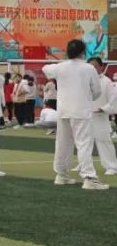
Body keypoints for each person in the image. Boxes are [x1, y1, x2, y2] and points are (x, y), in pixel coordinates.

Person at [43, 39, 107, 190]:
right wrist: (87, 97)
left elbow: (46, 68)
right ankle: (89, 178)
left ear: (68, 52)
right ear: (82, 52)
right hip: (81, 110)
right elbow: (97, 91)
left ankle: (61, 175)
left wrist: (62, 66)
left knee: (63, 144)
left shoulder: (60, 67)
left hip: (64, 110)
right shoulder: (88, 68)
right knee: (84, 144)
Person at [86, 57, 117, 176]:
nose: (92, 69)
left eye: (95, 66)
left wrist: (103, 109)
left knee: (103, 141)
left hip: (99, 116)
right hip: (85, 116)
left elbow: (113, 100)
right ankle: (84, 165)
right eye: (90, 66)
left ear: (102, 67)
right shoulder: (84, 81)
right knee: (84, 142)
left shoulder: (106, 82)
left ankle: (112, 166)